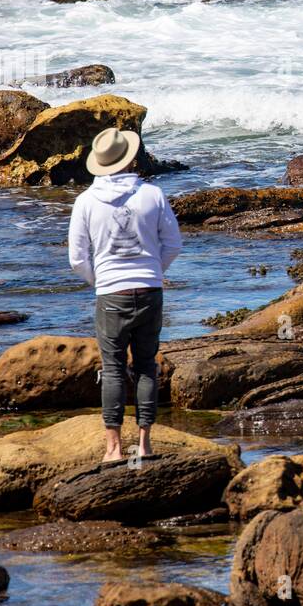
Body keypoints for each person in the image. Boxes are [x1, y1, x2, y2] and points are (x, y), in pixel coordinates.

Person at [68, 127, 182, 462]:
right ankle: (145, 444)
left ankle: (113, 448)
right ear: (129, 158)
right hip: (149, 289)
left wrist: (99, 280)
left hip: (110, 293)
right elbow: (173, 244)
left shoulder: (85, 201)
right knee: (147, 365)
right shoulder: (152, 194)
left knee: (113, 369)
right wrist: (154, 272)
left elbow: (77, 258)